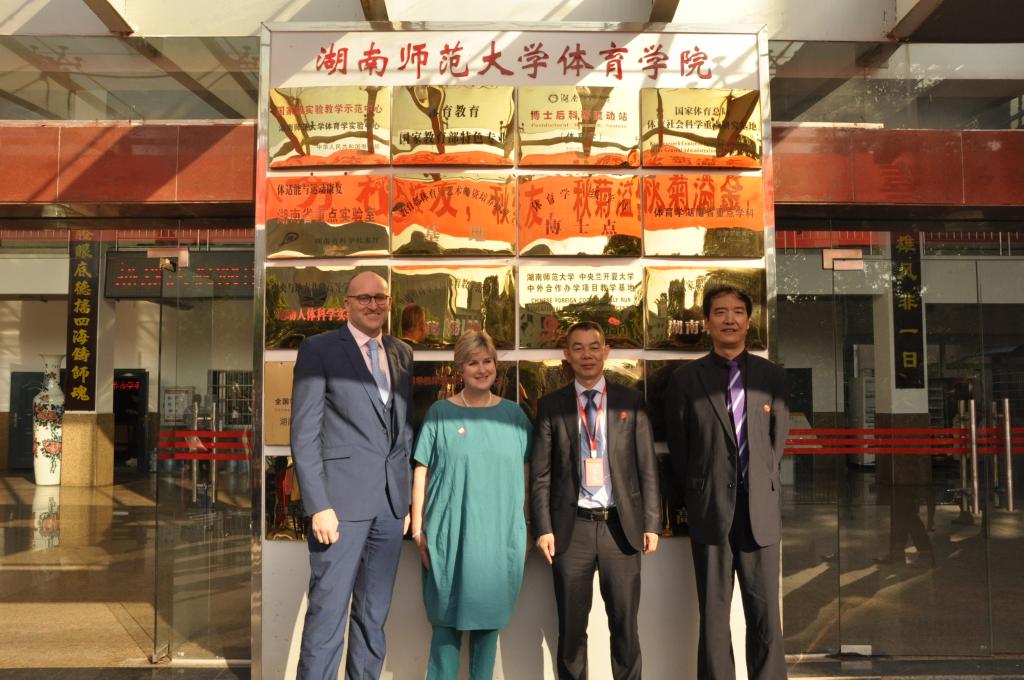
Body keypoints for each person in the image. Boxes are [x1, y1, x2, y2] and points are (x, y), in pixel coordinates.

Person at [290, 270, 414, 680]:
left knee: (373, 616)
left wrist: (404, 500)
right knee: (327, 614)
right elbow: (304, 434)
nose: (373, 305)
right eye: (364, 298)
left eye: (380, 298)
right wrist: (318, 505)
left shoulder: (401, 352)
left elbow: (402, 430)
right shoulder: (320, 349)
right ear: (347, 304)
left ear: (389, 303)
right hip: (339, 508)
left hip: (389, 507)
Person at [664, 285, 790, 680]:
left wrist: (759, 483)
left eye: (737, 311)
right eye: (720, 312)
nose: (729, 319)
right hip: (711, 512)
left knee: (765, 613)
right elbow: (681, 449)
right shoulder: (686, 380)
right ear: (707, 322)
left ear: (749, 321)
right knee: (714, 615)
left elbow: (776, 443)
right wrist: (701, 493)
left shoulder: (772, 376)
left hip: (760, 514)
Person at [531, 321, 661, 680]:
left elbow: (647, 467)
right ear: (566, 355)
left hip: (621, 527)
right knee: (572, 632)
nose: (586, 355)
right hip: (572, 529)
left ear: (606, 352)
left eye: (594, 347)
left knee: (625, 629)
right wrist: (543, 528)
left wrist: (652, 522)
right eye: (578, 347)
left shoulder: (630, 402)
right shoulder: (551, 406)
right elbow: (540, 475)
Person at [410, 330, 532, 680]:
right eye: (473, 362)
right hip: (448, 536)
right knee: (445, 627)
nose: (482, 369)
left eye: (487, 361)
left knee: (487, 627)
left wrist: (526, 526)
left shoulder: (514, 416)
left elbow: (526, 476)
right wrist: (418, 529)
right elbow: (422, 471)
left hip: (498, 539)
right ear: (459, 368)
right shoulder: (440, 413)